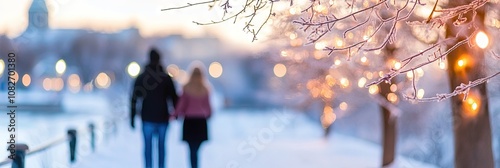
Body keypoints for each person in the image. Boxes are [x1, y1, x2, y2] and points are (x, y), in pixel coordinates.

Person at [130, 48, 178, 168]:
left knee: (147, 147)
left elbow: (134, 98)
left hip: (147, 117)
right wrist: (176, 114)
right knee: (161, 147)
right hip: (163, 117)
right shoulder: (166, 78)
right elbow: (174, 97)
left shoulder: (141, 77)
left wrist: (132, 117)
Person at [173, 62, 212, 168]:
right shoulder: (205, 89)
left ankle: (193, 165)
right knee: (196, 148)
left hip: (189, 122)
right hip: (200, 122)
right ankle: (195, 165)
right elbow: (208, 107)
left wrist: (175, 115)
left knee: (191, 149)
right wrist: (208, 115)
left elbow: (181, 105)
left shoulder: (186, 88)